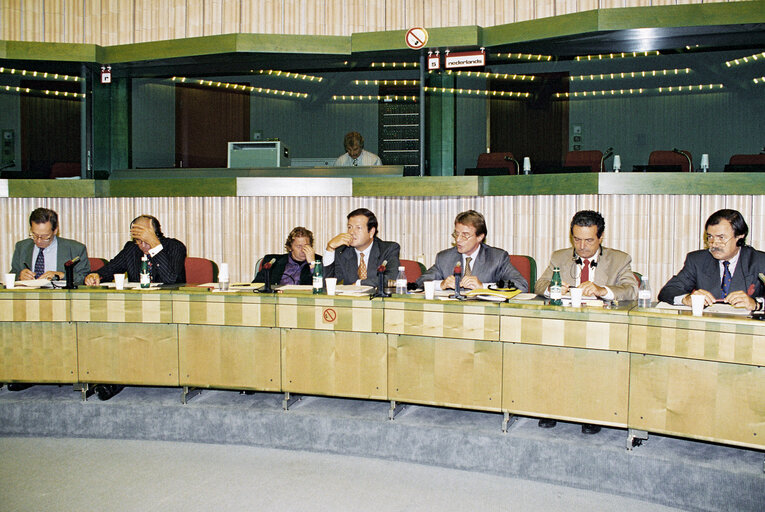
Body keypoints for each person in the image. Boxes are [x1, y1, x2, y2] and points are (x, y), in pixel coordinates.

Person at [534, 210, 638, 434]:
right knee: (550, 352)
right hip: (564, 324)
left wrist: (603, 290)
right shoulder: (559, 257)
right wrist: (554, 288)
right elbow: (539, 285)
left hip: (600, 326)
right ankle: (553, 407)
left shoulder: (619, 259)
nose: (581, 246)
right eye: (577, 239)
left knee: (593, 357)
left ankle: (591, 411)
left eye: (589, 240)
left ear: (600, 238)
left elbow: (631, 290)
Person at [658, 209, 765, 311]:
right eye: (710, 237)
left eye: (721, 237)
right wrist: (686, 298)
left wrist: (757, 303)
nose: (714, 244)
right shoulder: (697, 260)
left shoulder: (760, 261)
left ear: (740, 237)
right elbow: (668, 291)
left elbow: (758, 302)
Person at [417, 210, 528, 292]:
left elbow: (521, 285)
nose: (458, 239)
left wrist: (483, 287)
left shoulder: (497, 258)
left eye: (465, 235)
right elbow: (420, 283)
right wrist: (441, 284)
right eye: (456, 234)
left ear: (480, 237)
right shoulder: (444, 258)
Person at [84, 215, 187, 287]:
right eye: (138, 240)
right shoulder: (132, 248)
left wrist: (155, 245)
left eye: (147, 240)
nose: (143, 245)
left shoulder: (175, 247)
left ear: (157, 236)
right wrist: (96, 275)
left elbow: (170, 279)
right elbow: (110, 269)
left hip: (170, 304)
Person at [10, 207, 90, 285]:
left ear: (55, 230)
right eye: (34, 235)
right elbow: (12, 274)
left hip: (61, 297)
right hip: (29, 297)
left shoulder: (75, 249)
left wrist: (62, 275)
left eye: (45, 236)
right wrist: (20, 276)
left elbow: (84, 278)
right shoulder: (21, 247)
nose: (39, 240)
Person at [323, 208, 400, 287]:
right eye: (350, 227)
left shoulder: (388, 249)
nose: (351, 232)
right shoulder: (342, 251)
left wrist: (359, 283)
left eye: (358, 228)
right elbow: (326, 284)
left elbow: (392, 279)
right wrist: (330, 249)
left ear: (371, 232)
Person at [253, 226, 321, 285]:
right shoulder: (273, 261)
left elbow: (325, 288)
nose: (303, 250)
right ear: (290, 247)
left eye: (306, 246)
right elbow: (256, 285)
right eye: (299, 246)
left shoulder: (321, 261)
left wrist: (313, 264)